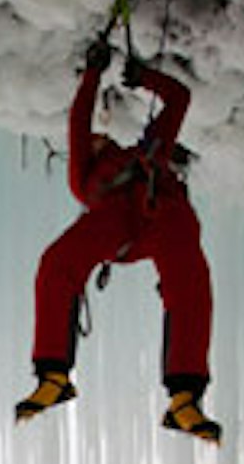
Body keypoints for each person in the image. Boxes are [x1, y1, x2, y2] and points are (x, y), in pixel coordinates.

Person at [15, 40, 222, 443]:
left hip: (161, 215)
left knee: (190, 283)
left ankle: (185, 396)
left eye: (99, 136)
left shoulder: (150, 151)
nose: (97, 137)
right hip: (116, 225)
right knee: (58, 264)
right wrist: (93, 74)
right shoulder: (88, 176)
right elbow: (78, 122)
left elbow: (178, 98)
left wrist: (144, 78)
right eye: (95, 138)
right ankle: (53, 376)